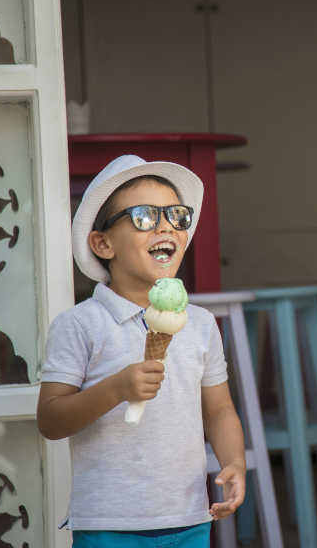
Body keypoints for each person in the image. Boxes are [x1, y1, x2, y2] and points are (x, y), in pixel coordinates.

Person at [37, 155, 246, 547]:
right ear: (103, 243)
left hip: (187, 516)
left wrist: (234, 462)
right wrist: (116, 389)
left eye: (177, 217)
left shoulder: (200, 323)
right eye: (145, 217)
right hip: (108, 523)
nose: (166, 226)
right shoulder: (79, 325)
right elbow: (50, 420)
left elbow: (219, 409)